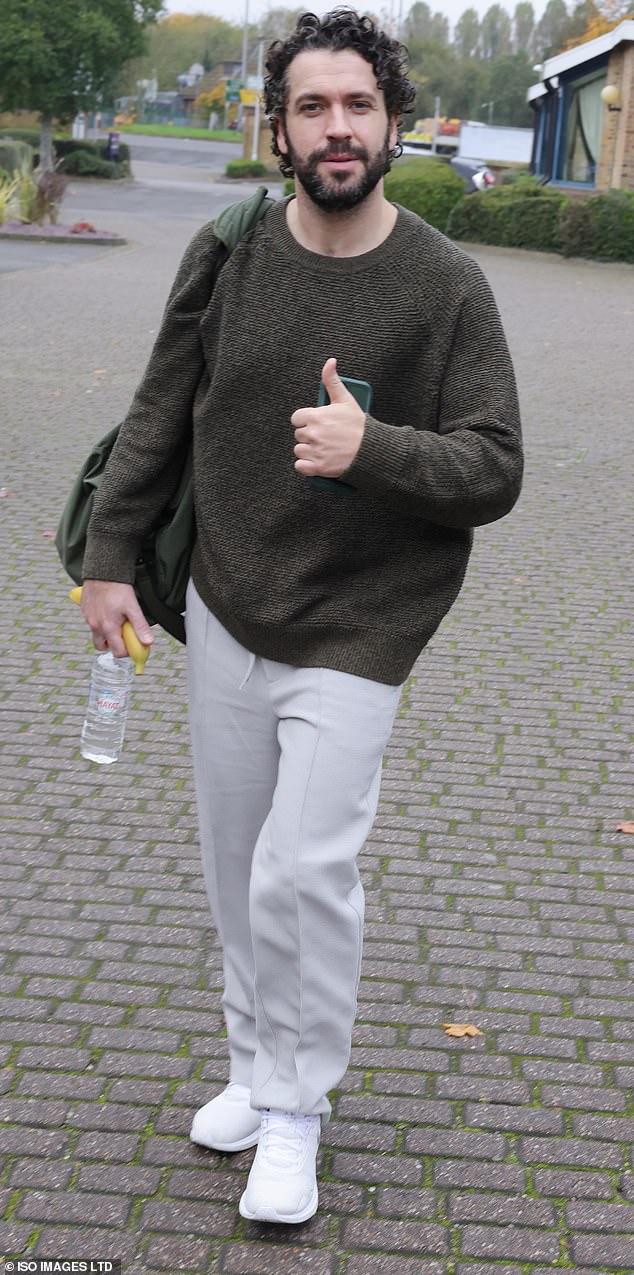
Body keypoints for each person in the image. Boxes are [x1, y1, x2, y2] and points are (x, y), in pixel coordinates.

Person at [79, 8, 523, 1226]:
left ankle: (297, 1111)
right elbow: (160, 407)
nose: (338, 128)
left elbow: (495, 468)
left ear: (396, 122)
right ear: (278, 128)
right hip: (228, 604)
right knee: (237, 870)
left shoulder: (445, 285)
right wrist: (112, 557)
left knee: (304, 871)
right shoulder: (230, 254)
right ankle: (250, 1065)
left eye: (359, 106)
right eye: (313, 107)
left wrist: (370, 447)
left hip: (362, 629)